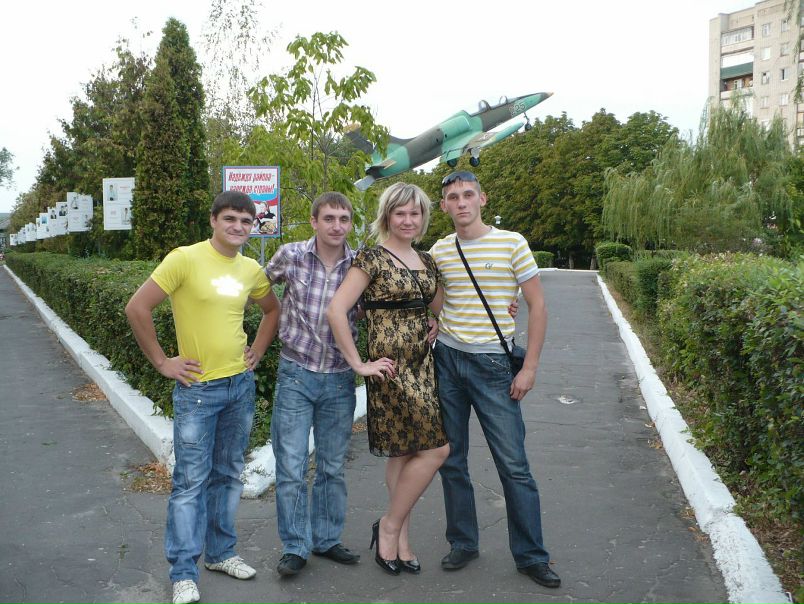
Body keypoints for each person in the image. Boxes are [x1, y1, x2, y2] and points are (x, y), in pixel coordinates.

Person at [125, 191, 281, 604]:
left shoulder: (250, 269)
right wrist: (163, 362)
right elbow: (137, 308)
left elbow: (272, 310)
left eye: (246, 221)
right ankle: (183, 572)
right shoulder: (185, 259)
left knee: (228, 475)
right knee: (190, 483)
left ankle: (221, 553)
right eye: (230, 218)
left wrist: (258, 350)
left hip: (239, 387)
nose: (238, 227)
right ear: (213, 220)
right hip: (198, 391)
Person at [429, 171, 561, 589]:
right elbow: (437, 300)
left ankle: (531, 556)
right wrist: (436, 321)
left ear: (482, 199)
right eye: (453, 197)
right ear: (444, 206)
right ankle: (463, 542)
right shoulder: (440, 250)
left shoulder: (512, 243)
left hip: (493, 367)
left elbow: (538, 306)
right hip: (447, 362)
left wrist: (530, 367)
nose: (461, 202)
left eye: (468, 194)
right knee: (452, 460)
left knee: (513, 465)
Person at [327, 182, 450, 575]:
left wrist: (435, 319)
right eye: (400, 213)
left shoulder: (427, 260)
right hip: (390, 370)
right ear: (387, 216)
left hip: (423, 365)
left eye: (415, 213)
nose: (408, 220)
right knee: (437, 450)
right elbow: (337, 310)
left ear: (423, 217)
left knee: (406, 452)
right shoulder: (371, 258)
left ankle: (399, 538)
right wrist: (359, 364)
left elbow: (440, 305)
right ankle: (391, 526)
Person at [263, 191, 363, 577]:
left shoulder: (360, 265)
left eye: (344, 219)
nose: (337, 226)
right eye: (329, 218)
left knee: (332, 466)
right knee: (290, 466)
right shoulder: (290, 256)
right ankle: (295, 546)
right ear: (314, 221)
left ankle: (326, 539)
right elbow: (254, 288)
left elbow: (387, 305)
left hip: (339, 378)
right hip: (296, 375)